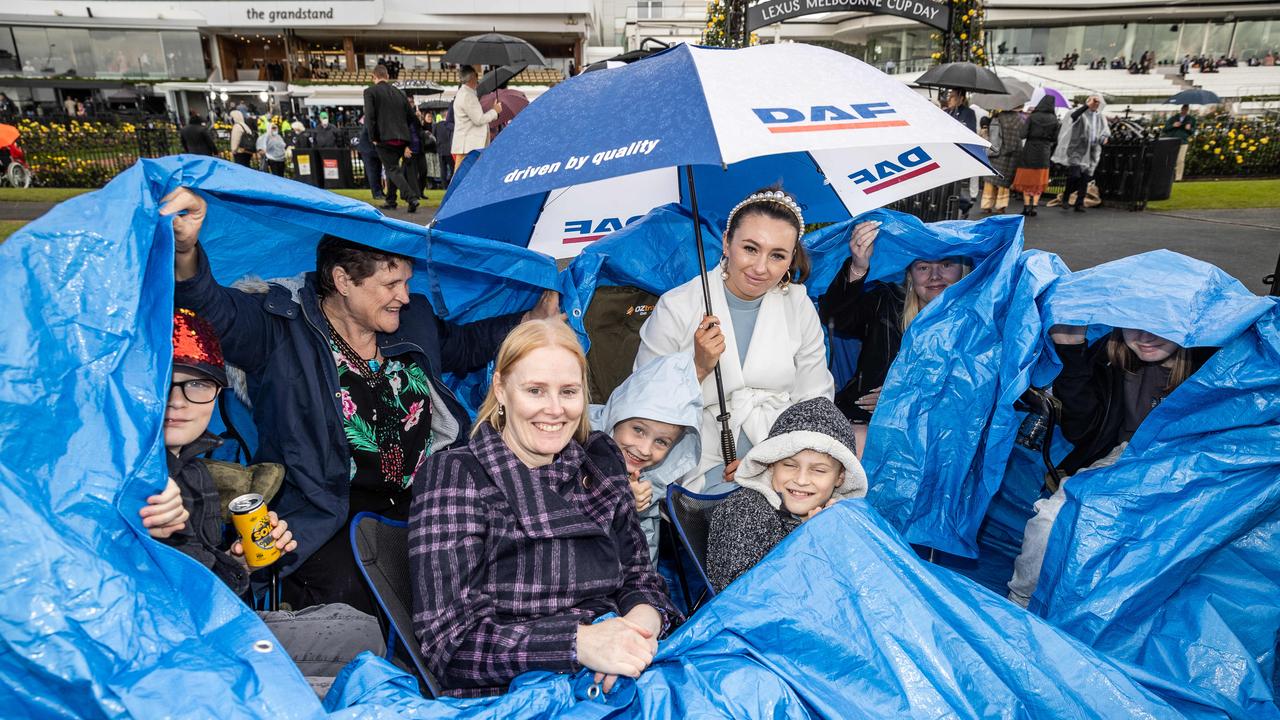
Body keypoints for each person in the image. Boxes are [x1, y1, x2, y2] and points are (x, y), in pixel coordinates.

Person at [160, 187, 561, 615]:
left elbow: (461, 347)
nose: (404, 296)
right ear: (343, 281)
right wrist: (186, 252)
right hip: (327, 508)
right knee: (359, 603)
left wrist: (528, 321)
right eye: (391, 284)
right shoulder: (279, 327)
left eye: (407, 281)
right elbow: (211, 311)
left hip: (424, 498)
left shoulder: (413, 318)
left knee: (498, 569)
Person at [409, 319, 681, 697]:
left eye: (568, 392)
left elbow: (640, 576)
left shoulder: (599, 462)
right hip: (519, 692)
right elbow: (450, 646)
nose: (555, 410)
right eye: (535, 390)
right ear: (501, 389)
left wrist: (640, 626)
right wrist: (580, 644)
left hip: (623, 661)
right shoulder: (457, 474)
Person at [142, 308, 384, 690]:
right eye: (165, 383)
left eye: (198, 384)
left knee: (362, 630)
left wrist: (241, 562)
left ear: (218, 393)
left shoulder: (194, 473)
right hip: (168, 650)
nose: (178, 401)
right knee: (357, 683)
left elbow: (206, 587)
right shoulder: (123, 468)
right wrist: (139, 525)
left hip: (210, 624)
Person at [635, 188, 834, 493]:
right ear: (727, 241)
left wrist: (771, 461)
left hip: (785, 461)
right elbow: (643, 406)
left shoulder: (798, 304)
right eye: (750, 248)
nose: (760, 268)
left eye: (777, 255)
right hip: (699, 461)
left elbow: (815, 401)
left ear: (791, 258)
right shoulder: (678, 306)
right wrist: (698, 368)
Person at [1006, 324, 1213, 607]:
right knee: (1050, 518)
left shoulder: (1213, 362)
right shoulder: (1108, 356)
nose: (1145, 335)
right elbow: (1081, 429)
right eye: (1135, 323)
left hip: (1188, 463)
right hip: (1123, 457)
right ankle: (1018, 603)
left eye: (1162, 324)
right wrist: (1071, 351)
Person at [705, 397, 867, 593]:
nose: (801, 479)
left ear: (840, 478)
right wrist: (809, 542)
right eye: (790, 465)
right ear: (772, 464)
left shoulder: (838, 516)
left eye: (819, 470)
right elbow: (743, 599)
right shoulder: (744, 510)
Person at [819, 221, 970, 429]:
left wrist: (908, 395)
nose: (935, 276)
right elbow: (835, 318)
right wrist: (858, 266)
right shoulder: (886, 302)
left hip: (938, 431)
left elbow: (976, 388)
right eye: (923, 267)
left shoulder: (977, 321)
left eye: (946, 265)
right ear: (910, 275)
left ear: (963, 270)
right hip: (865, 420)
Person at [589, 352, 703, 563]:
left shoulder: (650, 480)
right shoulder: (576, 444)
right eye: (638, 430)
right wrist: (618, 498)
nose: (644, 449)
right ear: (617, 415)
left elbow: (643, 551)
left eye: (661, 442)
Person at [363, 64, 419, 213]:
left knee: (392, 169)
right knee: (392, 168)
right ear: (387, 76)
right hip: (402, 138)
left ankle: (411, 197)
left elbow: (370, 117)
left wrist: (373, 137)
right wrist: (408, 139)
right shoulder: (399, 93)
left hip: (384, 138)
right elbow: (411, 117)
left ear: (374, 77)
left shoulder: (370, 92)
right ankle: (391, 200)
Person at [1058, 95, 1109, 213]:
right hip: (1077, 149)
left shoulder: (1100, 117)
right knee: (1074, 175)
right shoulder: (1081, 114)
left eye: (1098, 102)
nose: (1096, 104)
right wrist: (1087, 105)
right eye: (1094, 101)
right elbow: (1073, 116)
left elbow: (1105, 131)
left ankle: (1079, 203)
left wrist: (1104, 137)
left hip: (1092, 150)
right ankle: (1066, 196)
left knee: (1085, 179)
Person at [1011, 95, 1059, 217]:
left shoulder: (1032, 117)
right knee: (1038, 180)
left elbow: (1022, 134)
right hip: (1044, 151)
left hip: (1029, 150)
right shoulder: (1054, 119)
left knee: (1027, 179)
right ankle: (1035, 207)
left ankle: (1026, 206)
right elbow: (1054, 138)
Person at [451, 65, 501, 168]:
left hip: (468, 146)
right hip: (469, 147)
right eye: (476, 77)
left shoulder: (465, 93)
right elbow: (479, 119)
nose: (477, 81)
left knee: (463, 177)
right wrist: (495, 111)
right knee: (463, 178)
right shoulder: (467, 95)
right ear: (472, 78)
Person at [944, 90, 978, 215]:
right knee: (945, 183)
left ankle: (961, 204)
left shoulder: (969, 113)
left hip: (958, 153)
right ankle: (963, 204)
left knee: (952, 183)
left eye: (952, 97)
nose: (949, 99)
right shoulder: (946, 111)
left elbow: (971, 132)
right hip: (945, 152)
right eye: (949, 96)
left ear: (961, 98)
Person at [984, 109, 1022, 214]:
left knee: (990, 181)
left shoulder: (998, 117)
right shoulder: (1018, 119)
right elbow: (1019, 137)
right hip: (1011, 155)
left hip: (996, 152)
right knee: (1003, 182)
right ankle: (1001, 205)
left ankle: (986, 204)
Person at [1163, 104, 1197, 182]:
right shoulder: (1173, 118)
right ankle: (1169, 176)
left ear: (1188, 110)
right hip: (1172, 140)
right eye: (1183, 109)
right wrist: (1173, 125)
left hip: (1183, 141)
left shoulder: (1191, 119)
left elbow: (1193, 131)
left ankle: (1178, 178)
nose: (1184, 111)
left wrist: (1189, 129)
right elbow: (1165, 129)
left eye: (1186, 109)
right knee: (1171, 159)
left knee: (1180, 160)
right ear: (1181, 109)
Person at [356, 123, 385, 200]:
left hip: (373, 150)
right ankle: (376, 193)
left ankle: (380, 192)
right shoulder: (371, 123)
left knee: (377, 172)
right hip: (367, 150)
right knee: (372, 172)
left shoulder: (373, 122)